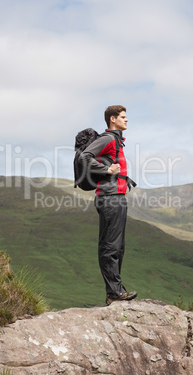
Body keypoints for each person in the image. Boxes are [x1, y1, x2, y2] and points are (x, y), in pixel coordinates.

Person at [79, 105, 137, 305]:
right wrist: (106, 169)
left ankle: (116, 290)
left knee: (118, 247)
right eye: (123, 117)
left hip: (118, 197)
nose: (126, 120)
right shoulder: (108, 138)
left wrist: (122, 177)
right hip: (109, 198)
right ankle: (113, 292)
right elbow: (84, 157)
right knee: (110, 246)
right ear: (113, 119)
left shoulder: (118, 140)